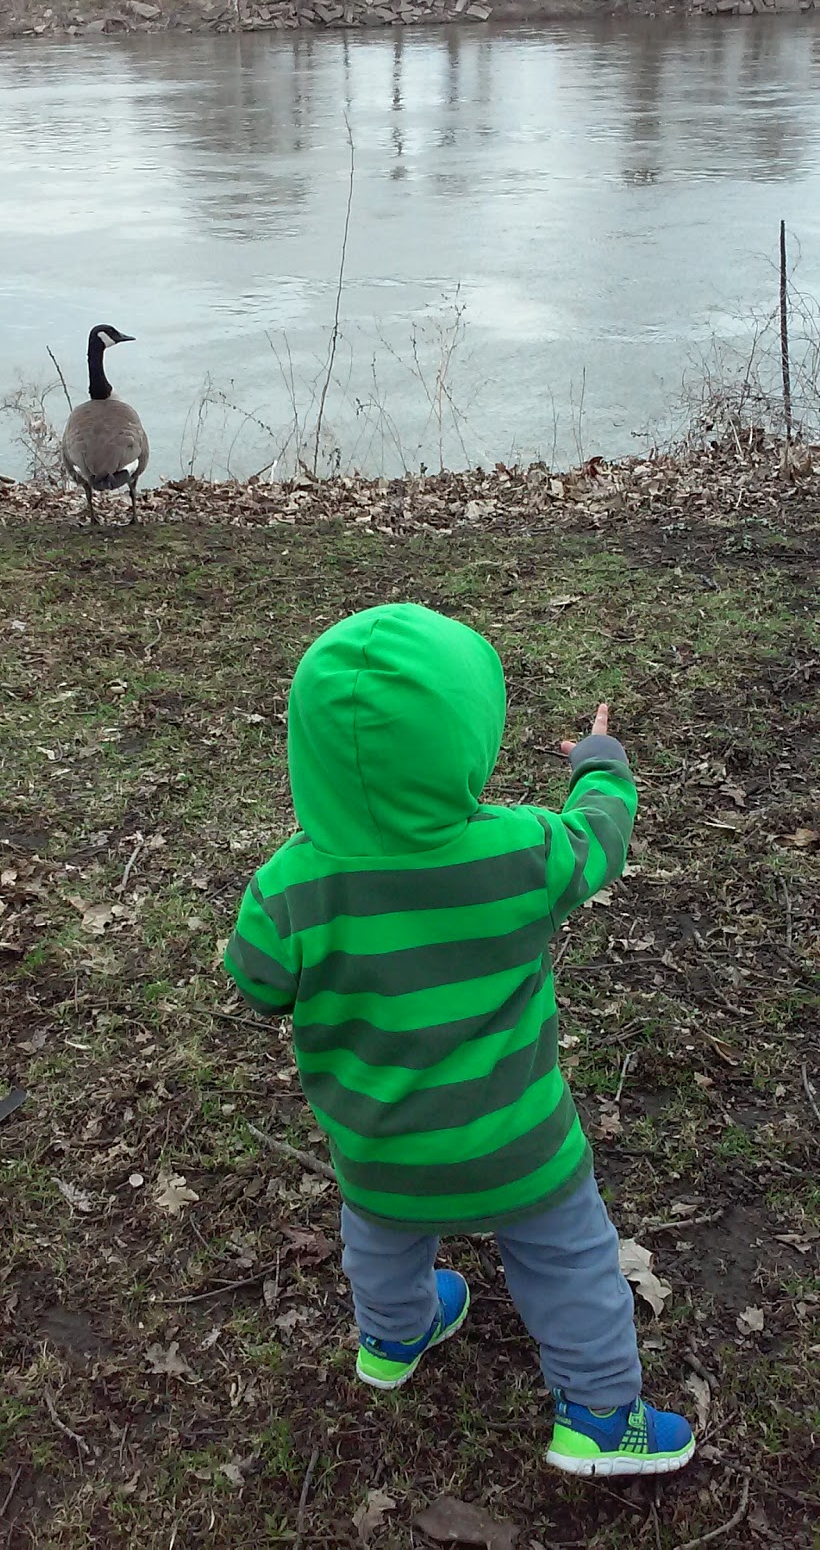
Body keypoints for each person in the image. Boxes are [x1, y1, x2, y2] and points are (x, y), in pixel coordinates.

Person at [225, 603, 694, 1479]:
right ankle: (600, 1417)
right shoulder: (522, 850)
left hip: (380, 1151)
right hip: (522, 1146)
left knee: (382, 1238)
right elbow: (601, 837)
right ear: (469, 740)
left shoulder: (287, 888)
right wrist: (601, 765)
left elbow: (256, 986)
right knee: (570, 1260)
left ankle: (393, 1338)